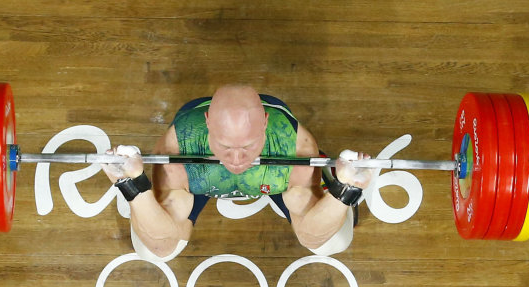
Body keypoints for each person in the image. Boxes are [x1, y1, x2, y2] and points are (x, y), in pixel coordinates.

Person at [102, 85, 372, 261]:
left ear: (265, 123)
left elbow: (312, 233)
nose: (236, 159)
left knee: (334, 241)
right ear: (208, 123)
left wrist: (346, 191)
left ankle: (333, 185)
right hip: (201, 179)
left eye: (247, 146)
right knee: (152, 251)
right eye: (225, 146)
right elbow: (161, 241)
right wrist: (130, 184)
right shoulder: (179, 145)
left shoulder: (295, 146)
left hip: (273, 175)